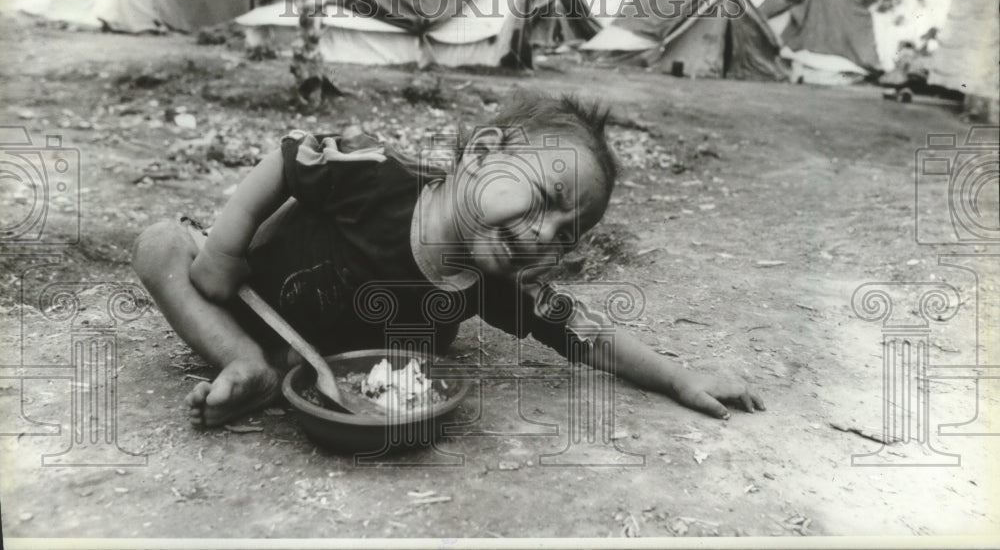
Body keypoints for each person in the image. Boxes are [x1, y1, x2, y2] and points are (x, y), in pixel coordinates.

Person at [132, 90, 764, 427]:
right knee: (160, 242)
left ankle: (273, 373)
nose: (545, 234)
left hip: (315, 356)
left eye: (566, 235)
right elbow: (290, 155)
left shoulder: (493, 282)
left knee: (367, 358)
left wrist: (679, 377)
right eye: (545, 198)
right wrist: (223, 248)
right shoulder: (375, 175)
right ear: (483, 153)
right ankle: (243, 362)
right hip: (247, 301)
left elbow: (588, 337)